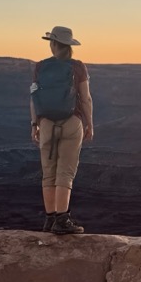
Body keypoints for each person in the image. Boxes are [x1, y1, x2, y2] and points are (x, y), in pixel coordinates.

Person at [30, 26, 94, 234]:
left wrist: (34, 124)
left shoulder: (40, 67)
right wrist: (89, 123)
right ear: (69, 46)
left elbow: (34, 98)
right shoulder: (78, 67)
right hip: (71, 122)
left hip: (47, 123)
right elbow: (85, 98)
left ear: (53, 44)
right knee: (65, 173)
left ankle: (50, 220)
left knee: (48, 173)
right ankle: (62, 219)